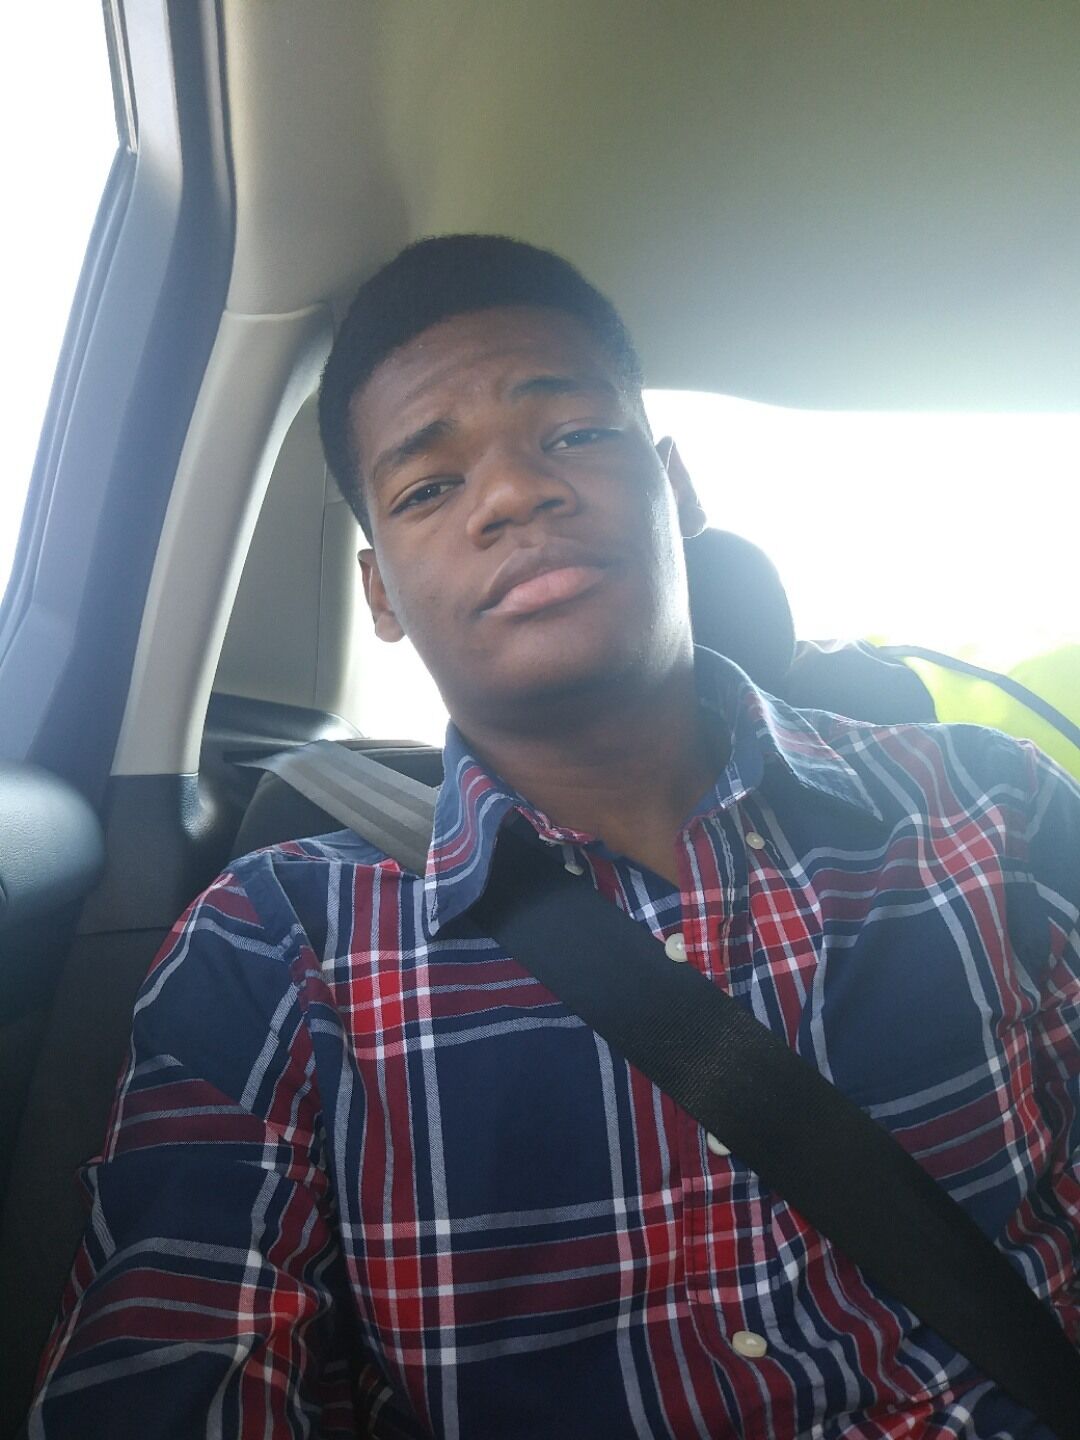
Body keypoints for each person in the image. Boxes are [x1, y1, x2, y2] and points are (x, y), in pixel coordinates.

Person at [28, 235, 1079, 1438]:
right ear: (381, 593)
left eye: (573, 433)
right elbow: (181, 1369)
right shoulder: (277, 950)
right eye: (428, 488)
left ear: (676, 488)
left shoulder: (989, 807)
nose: (513, 495)